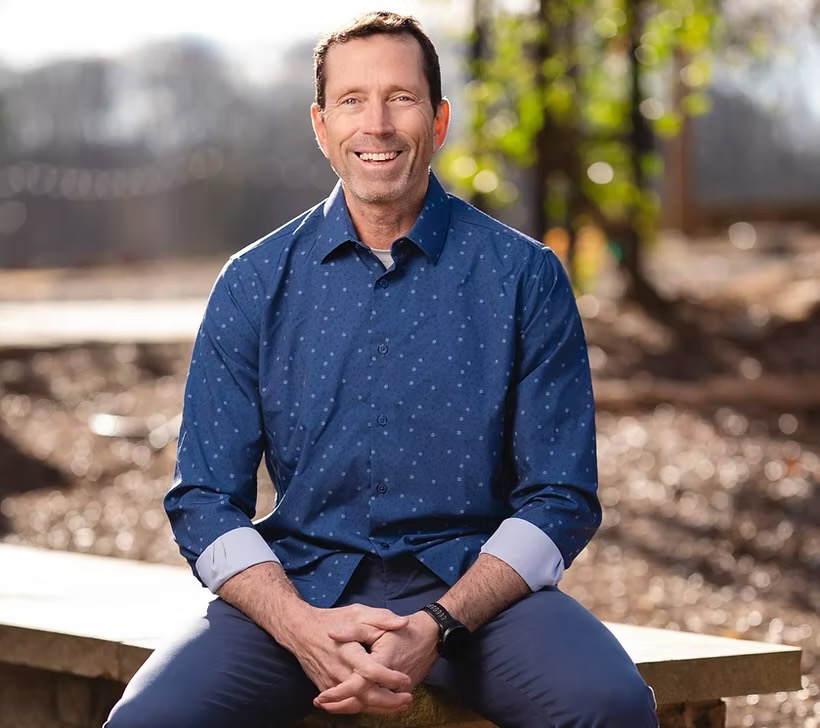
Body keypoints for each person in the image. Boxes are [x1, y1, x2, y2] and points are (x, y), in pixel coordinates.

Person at [106, 10, 657, 728]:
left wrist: (439, 623)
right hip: (298, 593)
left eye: (401, 98)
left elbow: (560, 496)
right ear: (320, 125)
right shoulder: (252, 282)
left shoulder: (524, 276)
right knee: (149, 723)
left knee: (609, 706)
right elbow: (204, 498)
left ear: (439, 120)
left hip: (477, 598)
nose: (377, 123)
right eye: (352, 100)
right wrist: (299, 626)